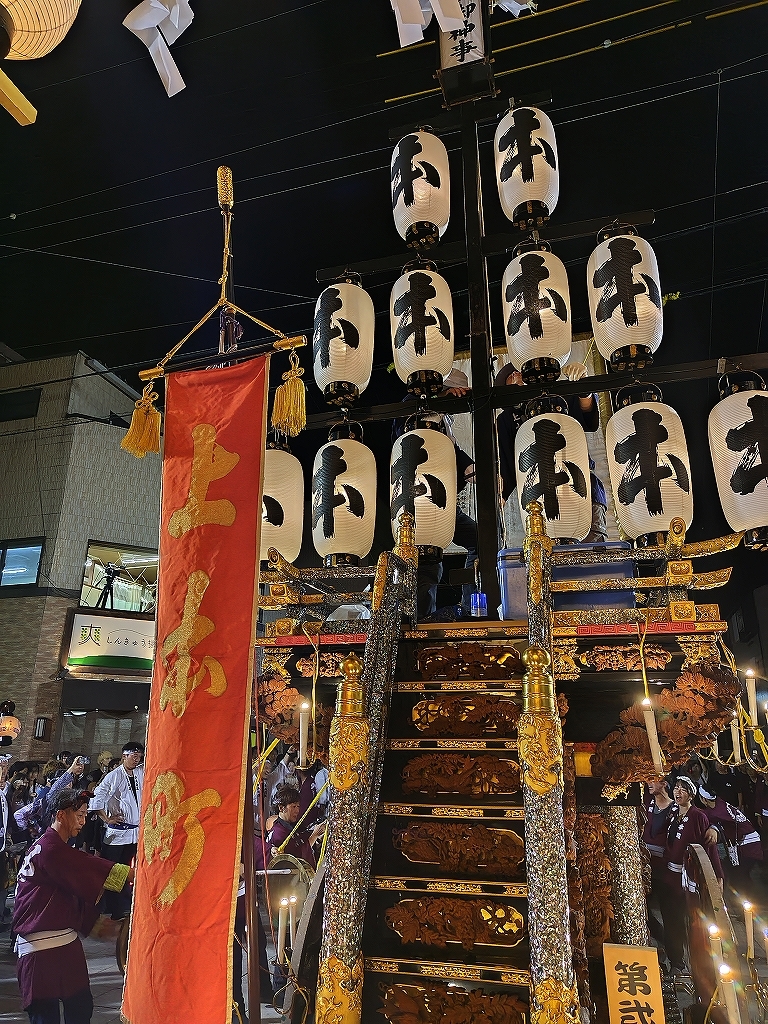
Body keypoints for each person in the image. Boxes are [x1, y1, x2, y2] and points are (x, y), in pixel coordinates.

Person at [12, 787, 134, 1024]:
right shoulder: (51, 849)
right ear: (60, 815)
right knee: (46, 1016)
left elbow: (66, 894)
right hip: (40, 953)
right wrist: (134, 875)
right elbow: (87, 866)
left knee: (81, 1007)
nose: (83, 822)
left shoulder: (52, 849)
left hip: (64, 945)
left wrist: (97, 926)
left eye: (85, 815)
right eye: (79, 815)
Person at [393, 368, 478, 619]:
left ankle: (470, 604)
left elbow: (456, 454)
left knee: (480, 538)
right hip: (417, 499)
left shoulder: (443, 420)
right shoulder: (412, 406)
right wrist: (438, 400)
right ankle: (419, 621)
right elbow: (407, 439)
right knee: (426, 563)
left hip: (444, 501)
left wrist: (474, 470)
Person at [495, 361, 608, 543]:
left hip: (582, 490)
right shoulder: (507, 419)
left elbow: (588, 415)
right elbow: (506, 466)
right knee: (546, 553)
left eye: (520, 372)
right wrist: (498, 496)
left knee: (590, 551)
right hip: (539, 502)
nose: (516, 375)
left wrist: (583, 386)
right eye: (511, 376)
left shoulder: (558, 395)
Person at [661, 775, 722, 974]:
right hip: (670, 878)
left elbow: (709, 848)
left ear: (691, 794)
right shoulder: (673, 813)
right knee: (672, 920)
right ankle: (676, 962)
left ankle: (701, 966)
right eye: (676, 788)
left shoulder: (697, 816)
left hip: (689, 880)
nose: (678, 792)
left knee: (693, 922)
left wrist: (717, 876)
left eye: (683, 789)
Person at [89, 742, 144, 920]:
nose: (137, 759)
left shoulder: (141, 772)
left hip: (135, 833)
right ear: (124, 756)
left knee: (128, 870)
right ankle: (113, 909)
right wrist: (106, 818)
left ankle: (126, 905)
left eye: (139, 756)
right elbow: (96, 797)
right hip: (117, 834)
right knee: (113, 870)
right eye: (133, 756)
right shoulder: (113, 776)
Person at [697, 781, 762, 900]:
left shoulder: (718, 812)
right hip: (748, 843)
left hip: (748, 845)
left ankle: (748, 902)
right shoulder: (720, 803)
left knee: (740, 875)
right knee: (736, 873)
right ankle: (745, 902)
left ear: (704, 799)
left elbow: (705, 816)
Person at [642, 777, 675, 946]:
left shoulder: (675, 809)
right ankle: (659, 940)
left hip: (665, 869)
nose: (649, 784)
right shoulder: (647, 804)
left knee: (669, 911)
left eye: (653, 780)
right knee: (644, 908)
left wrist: (714, 828)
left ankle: (674, 952)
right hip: (646, 866)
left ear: (664, 783)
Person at [266, 785, 324, 869]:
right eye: (293, 806)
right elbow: (296, 858)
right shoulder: (278, 833)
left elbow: (305, 839)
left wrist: (318, 837)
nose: (297, 810)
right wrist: (314, 836)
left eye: (298, 806)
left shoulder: (293, 826)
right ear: (281, 808)